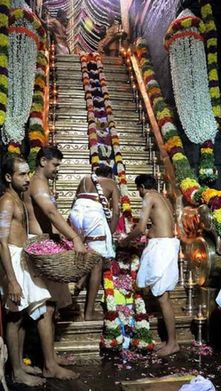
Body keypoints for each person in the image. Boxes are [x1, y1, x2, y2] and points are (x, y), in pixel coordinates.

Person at [0, 155, 76, 386]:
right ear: (7, 177)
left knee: (22, 315)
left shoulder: (18, 198)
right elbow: (1, 242)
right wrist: (12, 280)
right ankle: (16, 371)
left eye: (27, 173)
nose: (27, 178)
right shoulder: (6, 202)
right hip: (11, 260)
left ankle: (20, 366)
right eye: (21, 174)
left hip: (22, 257)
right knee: (14, 317)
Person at [25, 146, 86, 379]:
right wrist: (74, 238)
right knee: (46, 307)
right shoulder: (38, 182)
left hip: (48, 245)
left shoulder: (43, 182)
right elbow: (50, 213)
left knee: (52, 308)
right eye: (55, 165)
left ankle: (50, 357)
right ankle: (50, 365)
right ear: (42, 161)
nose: (57, 170)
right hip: (39, 247)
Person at [119, 174, 180, 357]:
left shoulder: (149, 197)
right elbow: (159, 225)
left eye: (138, 190)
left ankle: (173, 343)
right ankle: (170, 341)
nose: (139, 193)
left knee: (162, 298)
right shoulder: (163, 198)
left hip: (161, 248)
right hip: (167, 245)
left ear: (142, 188)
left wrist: (125, 241)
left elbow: (140, 228)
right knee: (163, 296)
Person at [69, 164, 120, 320]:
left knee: (84, 250)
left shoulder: (84, 179)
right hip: (93, 215)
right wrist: (110, 232)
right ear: (110, 175)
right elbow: (116, 211)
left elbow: (74, 202)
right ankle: (89, 313)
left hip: (76, 213)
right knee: (97, 261)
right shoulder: (111, 183)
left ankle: (78, 283)